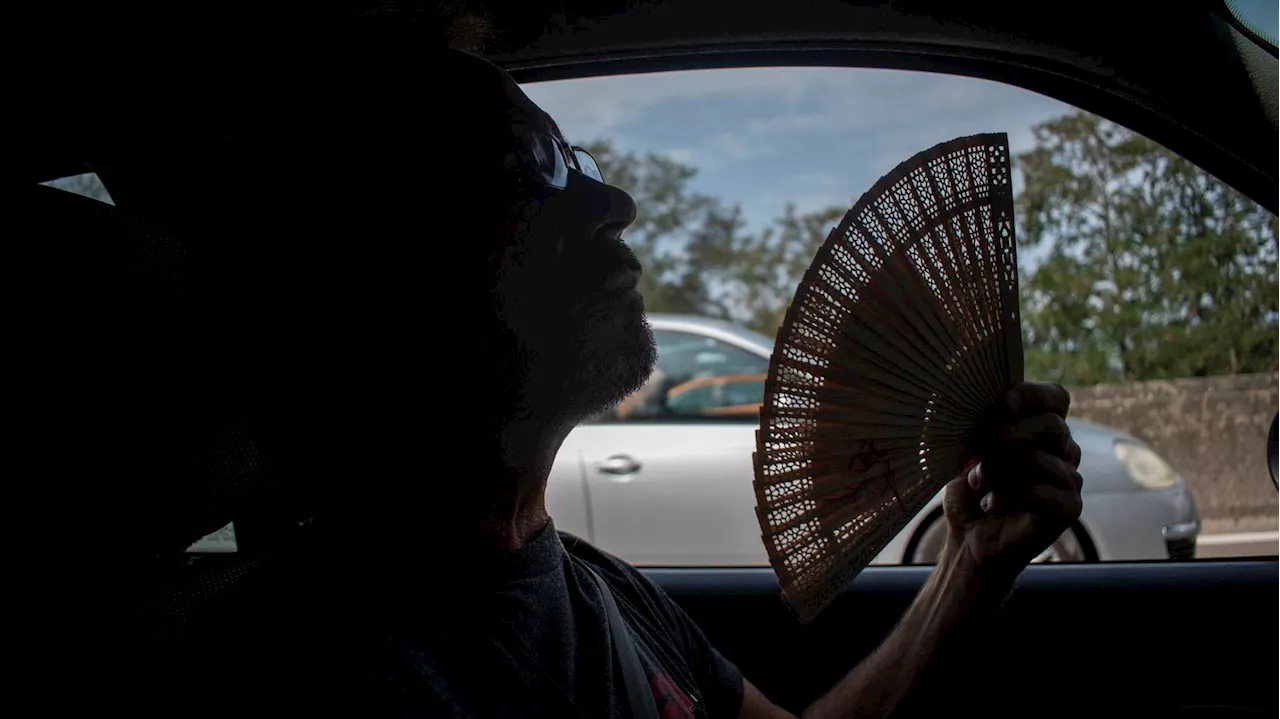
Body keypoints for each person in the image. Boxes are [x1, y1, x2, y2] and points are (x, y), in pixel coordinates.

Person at [109, 19, 1084, 719]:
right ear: (386, 273)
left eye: (576, 158)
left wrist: (968, 560)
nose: (614, 200)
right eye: (531, 170)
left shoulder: (599, 590)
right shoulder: (286, 671)